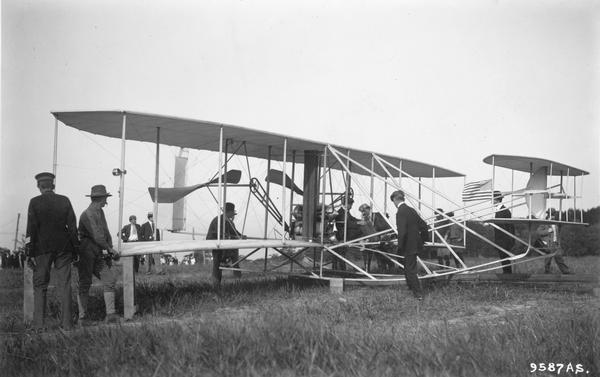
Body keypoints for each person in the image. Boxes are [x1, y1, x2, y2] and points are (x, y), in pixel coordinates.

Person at [25, 172, 79, 330]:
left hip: (42, 250)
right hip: (64, 248)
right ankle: (67, 324)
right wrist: (75, 249)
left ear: (39, 186)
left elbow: (31, 230)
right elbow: (73, 228)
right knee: (65, 285)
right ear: (52, 185)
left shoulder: (34, 202)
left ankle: (39, 326)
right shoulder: (65, 200)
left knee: (40, 285)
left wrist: (29, 252)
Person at [77, 184, 121, 324]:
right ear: (99, 198)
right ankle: (82, 318)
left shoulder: (100, 212)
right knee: (85, 284)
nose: (106, 201)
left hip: (96, 252)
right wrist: (109, 249)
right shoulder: (87, 214)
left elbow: (105, 232)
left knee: (109, 280)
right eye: (105, 198)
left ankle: (111, 315)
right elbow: (96, 236)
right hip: (85, 251)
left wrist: (109, 247)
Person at [391, 190, 427, 300]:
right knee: (407, 266)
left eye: (393, 202)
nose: (394, 204)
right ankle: (411, 287)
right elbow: (424, 226)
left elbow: (402, 232)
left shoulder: (400, 212)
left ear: (396, 200)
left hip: (408, 245)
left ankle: (418, 294)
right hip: (416, 244)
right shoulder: (411, 210)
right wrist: (424, 240)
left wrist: (400, 246)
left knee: (410, 269)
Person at [206, 202, 246, 287]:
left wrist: (241, 236)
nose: (233, 215)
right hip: (216, 244)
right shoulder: (217, 220)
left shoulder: (230, 222)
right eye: (232, 213)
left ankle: (238, 282)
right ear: (229, 212)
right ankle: (216, 285)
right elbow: (219, 234)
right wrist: (229, 237)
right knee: (217, 265)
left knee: (236, 261)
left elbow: (234, 233)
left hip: (227, 245)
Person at [358, 203, 393, 273]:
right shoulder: (365, 220)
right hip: (374, 241)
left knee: (387, 258)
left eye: (364, 211)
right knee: (379, 259)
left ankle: (391, 271)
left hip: (383, 239)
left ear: (369, 209)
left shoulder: (378, 216)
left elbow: (386, 226)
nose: (363, 213)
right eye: (362, 212)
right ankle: (381, 272)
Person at [537, 210, 570, 274]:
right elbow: (538, 232)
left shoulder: (556, 224)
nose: (553, 216)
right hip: (549, 244)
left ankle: (566, 272)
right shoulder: (544, 223)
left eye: (553, 215)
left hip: (556, 244)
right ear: (548, 215)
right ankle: (547, 272)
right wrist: (547, 231)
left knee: (559, 258)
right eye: (551, 215)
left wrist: (559, 243)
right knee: (548, 260)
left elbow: (558, 234)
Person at [333, 197, 362, 271]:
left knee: (341, 254)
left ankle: (341, 269)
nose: (351, 206)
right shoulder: (341, 212)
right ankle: (364, 240)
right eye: (351, 204)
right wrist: (359, 223)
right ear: (346, 204)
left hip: (346, 232)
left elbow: (352, 219)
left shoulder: (346, 211)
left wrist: (361, 221)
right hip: (342, 233)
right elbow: (348, 224)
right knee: (361, 230)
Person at [493, 191, 515, 274]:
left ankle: (508, 274)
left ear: (496, 199)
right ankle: (506, 274)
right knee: (503, 258)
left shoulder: (504, 211)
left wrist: (510, 240)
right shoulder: (499, 210)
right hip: (501, 240)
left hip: (505, 240)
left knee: (505, 258)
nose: (492, 201)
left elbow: (509, 226)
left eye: (493, 199)